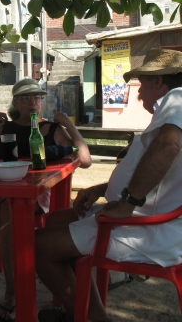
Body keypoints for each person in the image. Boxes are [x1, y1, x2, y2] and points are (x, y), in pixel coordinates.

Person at [35, 48, 182, 322]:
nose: (138, 94)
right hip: (147, 217)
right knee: (56, 221)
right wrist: (102, 189)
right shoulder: (172, 110)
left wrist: (127, 204)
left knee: (38, 246)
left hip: (149, 228)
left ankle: (93, 318)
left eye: (141, 84)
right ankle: (78, 310)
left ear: (158, 81)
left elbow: (169, 146)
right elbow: (154, 169)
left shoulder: (178, 100)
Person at [0, 78, 92, 321]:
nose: (32, 102)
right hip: (5, 193)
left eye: (36, 97)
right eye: (25, 98)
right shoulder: (5, 128)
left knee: (2, 204)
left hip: (36, 195)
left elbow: (85, 160)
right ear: (16, 102)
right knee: (3, 205)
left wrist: (68, 124)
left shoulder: (51, 129)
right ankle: (7, 289)